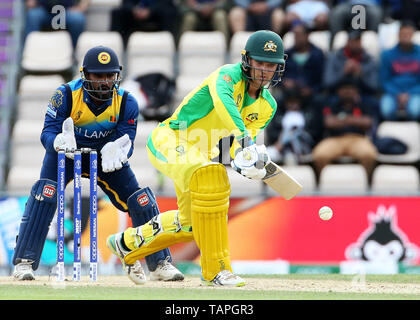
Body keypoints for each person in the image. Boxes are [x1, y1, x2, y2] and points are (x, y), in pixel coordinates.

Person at [106, 30, 287, 286]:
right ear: (247, 60)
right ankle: (217, 271)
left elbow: (238, 145)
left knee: (192, 224)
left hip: (198, 155)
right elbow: (226, 106)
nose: (264, 71)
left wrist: (247, 161)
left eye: (271, 65)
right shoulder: (226, 76)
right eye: (260, 63)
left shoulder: (267, 105)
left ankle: (126, 243)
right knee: (211, 175)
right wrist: (246, 141)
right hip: (170, 139)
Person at [12, 46, 183, 284]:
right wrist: (58, 141)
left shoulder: (126, 102)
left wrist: (118, 149)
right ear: (85, 75)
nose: (104, 82)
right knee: (45, 194)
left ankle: (160, 263)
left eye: (109, 76)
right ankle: (24, 263)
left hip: (105, 157)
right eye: (98, 76)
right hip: (66, 154)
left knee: (141, 199)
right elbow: (47, 133)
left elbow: (127, 142)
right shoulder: (65, 95)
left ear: (117, 76)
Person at [312, 77, 378, 181]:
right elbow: (329, 123)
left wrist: (343, 119)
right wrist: (355, 120)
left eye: (351, 89)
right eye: (344, 89)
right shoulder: (331, 104)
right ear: (338, 91)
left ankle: (367, 182)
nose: (347, 91)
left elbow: (368, 123)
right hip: (335, 139)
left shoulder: (364, 104)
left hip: (358, 139)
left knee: (368, 154)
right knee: (320, 154)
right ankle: (324, 181)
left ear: (356, 91)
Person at [379, 20, 420, 121]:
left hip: (415, 92)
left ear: (413, 35)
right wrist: (397, 94)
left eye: (408, 34)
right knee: (386, 110)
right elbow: (384, 80)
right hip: (392, 93)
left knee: (415, 111)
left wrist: (409, 94)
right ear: (398, 35)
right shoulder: (387, 54)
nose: (405, 36)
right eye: (403, 34)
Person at [324, 29, 378, 97]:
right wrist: (343, 72)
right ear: (347, 42)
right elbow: (327, 84)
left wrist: (360, 74)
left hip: (361, 96)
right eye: (352, 41)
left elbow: (374, 87)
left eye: (357, 41)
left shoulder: (369, 60)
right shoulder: (334, 58)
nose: (355, 44)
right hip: (338, 95)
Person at [110, 0, 178, 46]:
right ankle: (116, 44)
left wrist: (150, 10)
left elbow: (167, 2)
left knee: (169, 13)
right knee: (117, 13)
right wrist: (134, 9)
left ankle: (170, 44)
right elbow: (126, 2)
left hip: (158, 13)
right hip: (135, 13)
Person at [24, 0, 89, 48]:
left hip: (66, 10)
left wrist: (81, 7)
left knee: (77, 18)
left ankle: (74, 51)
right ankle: (30, 50)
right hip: (44, 10)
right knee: (32, 15)